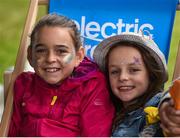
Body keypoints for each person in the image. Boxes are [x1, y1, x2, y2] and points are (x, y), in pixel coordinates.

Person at [8, 13, 115, 137]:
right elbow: (12, 132)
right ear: (30, 55)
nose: (50, 58)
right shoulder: (24, 85)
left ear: (78, 56)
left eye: (61, 51)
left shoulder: (91, 86)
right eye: (41, 51)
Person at [93, 32, 168, 137]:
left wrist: (169, 104)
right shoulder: (106, 109)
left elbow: (170, 99)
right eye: (114, 71)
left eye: (133, 70)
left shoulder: (159, 108)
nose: (123, 77)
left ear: (151, 73)